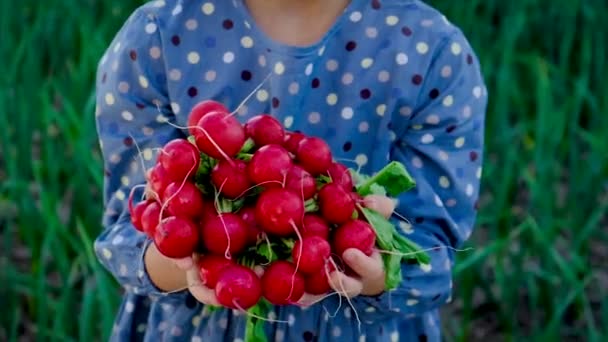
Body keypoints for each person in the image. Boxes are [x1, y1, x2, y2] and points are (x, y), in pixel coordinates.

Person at [93, 0, 487, 341]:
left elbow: (433, 258)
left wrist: (375, 270)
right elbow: (126, 231)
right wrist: (188, 260)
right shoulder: (156, 38)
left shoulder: (433, 53)